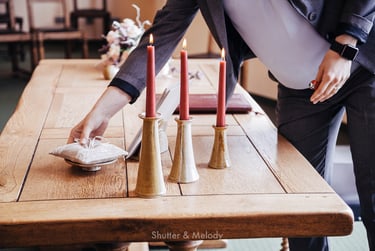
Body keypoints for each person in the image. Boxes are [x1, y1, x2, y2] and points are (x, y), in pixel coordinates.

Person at [69, 1, 375, 250]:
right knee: (302, 206)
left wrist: (345, 47)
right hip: (299, 89)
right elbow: (160, 36)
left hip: (364, 65)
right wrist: (103, 109)